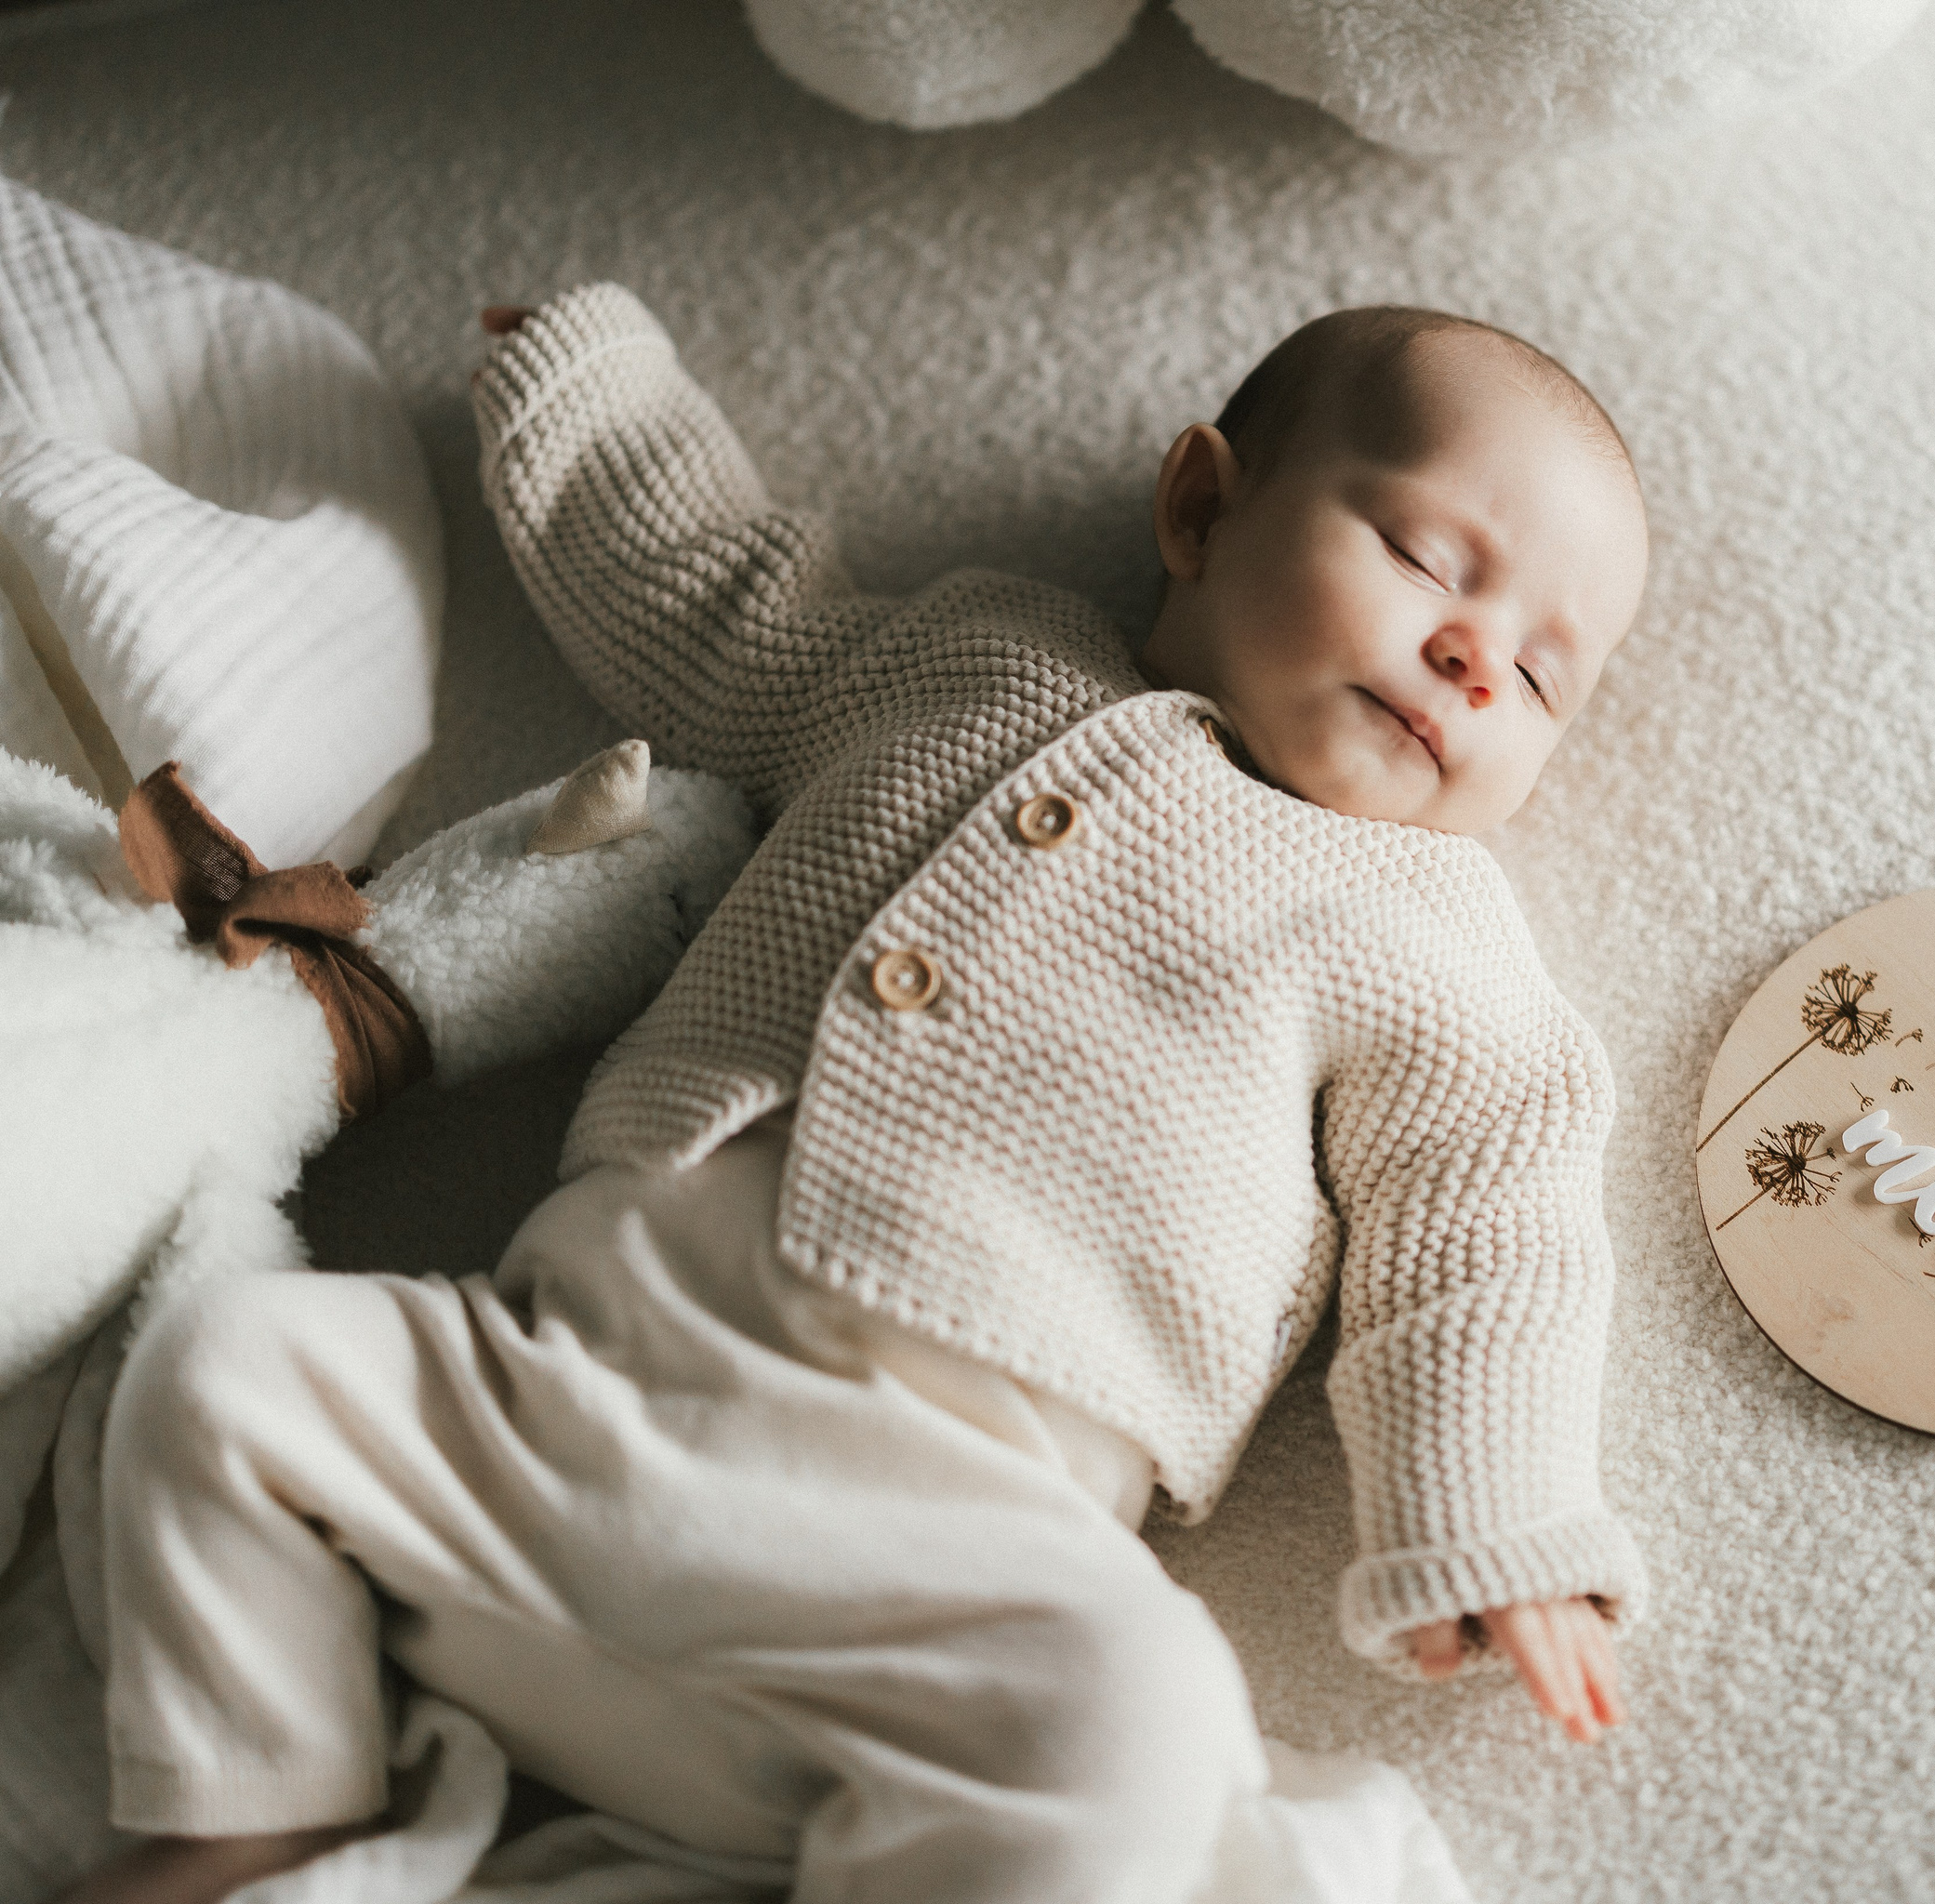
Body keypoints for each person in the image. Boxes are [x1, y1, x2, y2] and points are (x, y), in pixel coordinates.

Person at [60, 285, 1651, 1904]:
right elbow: (724, 608)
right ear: (1201, 507)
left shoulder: (1433, 935)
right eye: (1430, 560)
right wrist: (592, 390)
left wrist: (1504, 1523)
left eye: (1542, 676)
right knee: (225, 1363)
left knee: (1141, 1713)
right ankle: (265, 1803)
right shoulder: (968, 656)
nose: (1471, 655)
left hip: (942, 1563)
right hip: (561, 1409)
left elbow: (1488, 1226)